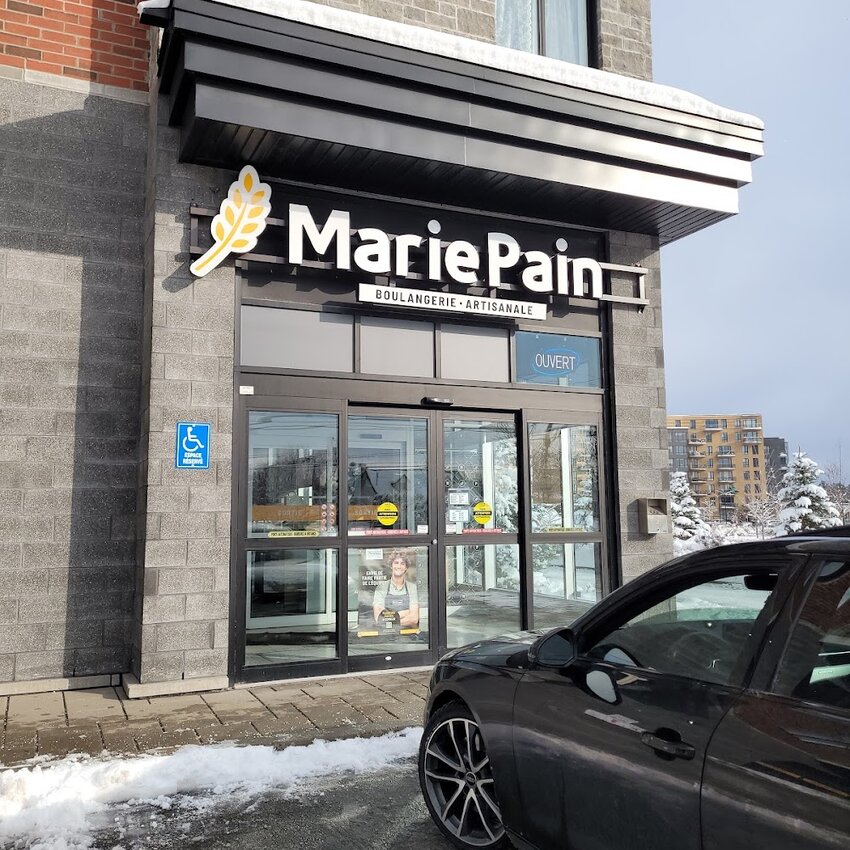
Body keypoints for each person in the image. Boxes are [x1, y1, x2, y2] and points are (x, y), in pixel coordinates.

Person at [372, 551, 420, 629]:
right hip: (386, 636)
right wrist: (405, 613)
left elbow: (414, 619)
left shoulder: (412, 588)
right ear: (391, 566)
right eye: (396, 563)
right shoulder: (382, 587)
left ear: (406, 568)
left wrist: (389, 621)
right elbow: (379, 618)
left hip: (409, 636)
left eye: (402, 563)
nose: (399, 566)